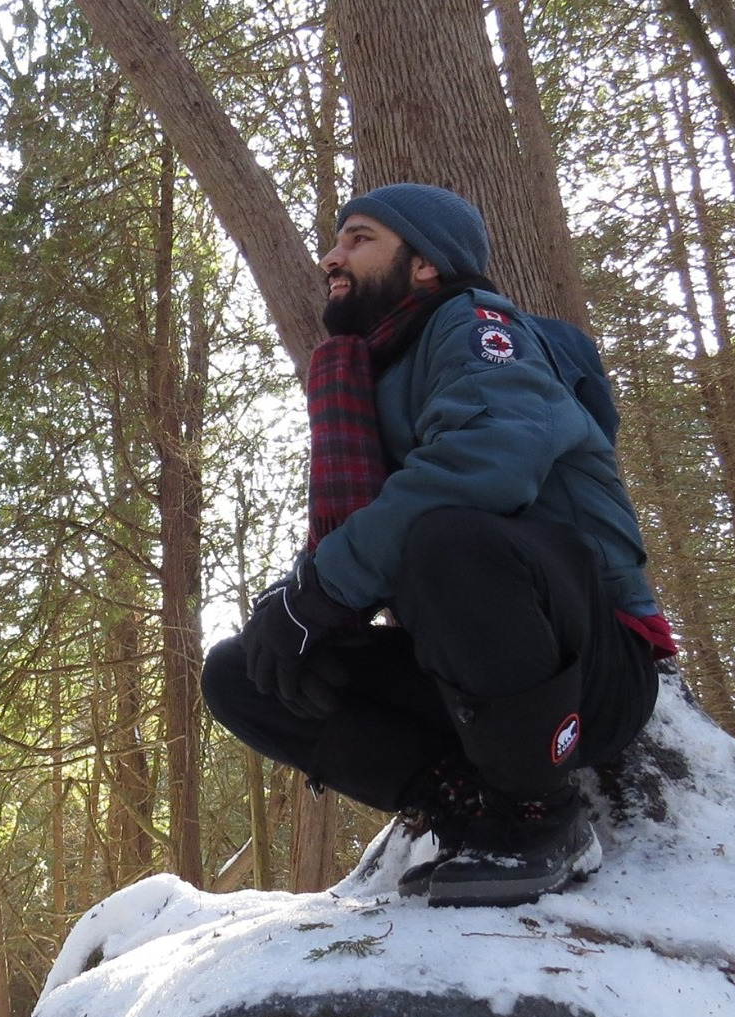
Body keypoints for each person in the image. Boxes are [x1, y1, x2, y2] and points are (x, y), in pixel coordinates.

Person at [201, 183, 676, 909]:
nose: (332, 257)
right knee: (247, 668)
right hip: (465, 680)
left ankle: (541, 818)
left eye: (358, 239)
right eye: (337, 241)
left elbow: (487, 459)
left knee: (446, 534)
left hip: (591, 668)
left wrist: (324, 586)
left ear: (425, 263)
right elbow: (374, 532)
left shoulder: (479, 327)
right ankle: (462, 802)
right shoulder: (378, 374)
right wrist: (299, 602)